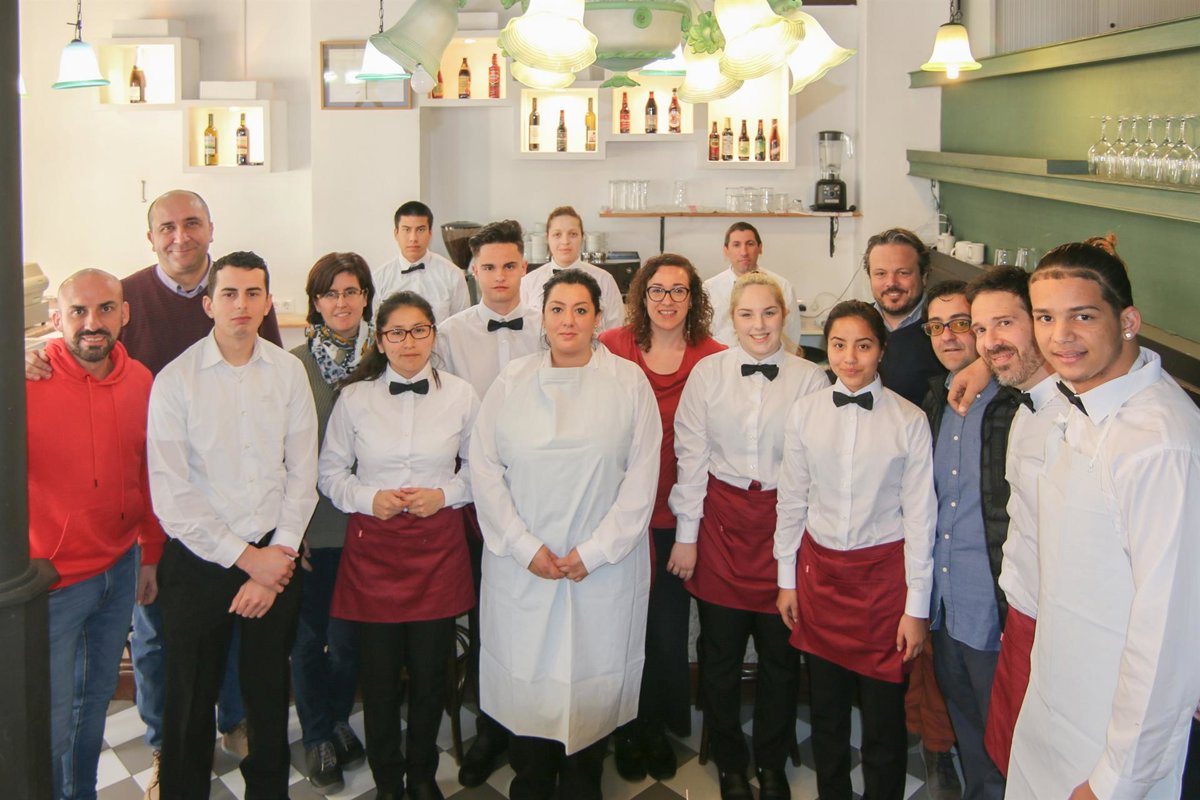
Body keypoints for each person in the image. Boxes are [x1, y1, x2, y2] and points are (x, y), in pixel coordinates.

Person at [25, 191, 282, 792]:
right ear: (151, 237)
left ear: (211, 228)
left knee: (230, 630)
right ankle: (169, 747)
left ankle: (233, 723)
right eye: (167, 226)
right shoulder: (127, 297)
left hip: (213, 509)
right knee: (158, 640)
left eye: (192, 223)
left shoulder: (238, 290)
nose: (180, 236)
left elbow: (264, 379)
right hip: (154, 515)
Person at [1007, 242, 1200, 799]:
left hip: (1111, 735)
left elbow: (1168, 636)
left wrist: (1116, 781)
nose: (1060, 336)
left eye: (1083, 316)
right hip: (1054, 700)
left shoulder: (1159, 444)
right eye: (1045, 317)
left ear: (1129, 321)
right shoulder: (1079, 398)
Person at [470, 270, 660, 799]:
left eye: (581, 310)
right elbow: (484, 468)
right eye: (558, 309)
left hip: (601, 567)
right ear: (543, 317)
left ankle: (583, 780)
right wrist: (523, 545)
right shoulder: (512, 382)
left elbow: (642, 479)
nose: (568, 320)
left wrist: (594, 552)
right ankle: (530, 778)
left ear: (599, 318)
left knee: (591, 672)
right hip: (523, 564)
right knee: (528, 674)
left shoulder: (629, 384)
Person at [146, 251, 318, 799]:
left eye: (253, 293)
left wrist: (277, 558)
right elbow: (171, 494)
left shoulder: (288, 372)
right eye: (229, 293)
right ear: (208, 304)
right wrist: (250, 562)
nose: (241, 304)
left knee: (267, 696)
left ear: (267, 303)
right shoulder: (176, 381)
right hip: (200, 560)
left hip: (274, 552)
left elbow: (303, 475)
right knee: (190, 699)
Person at [671, 271, 828, 800]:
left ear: (784, 316)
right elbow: (691, 457)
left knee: (781, 659)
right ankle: (731, 763)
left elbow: (814, 469)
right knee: (719, 656)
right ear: (731, 319)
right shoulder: (708, 374)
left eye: (769, 313)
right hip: (721, 523)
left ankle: (772, 763)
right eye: (747, 314)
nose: (759, 325)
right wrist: (686, 535)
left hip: (787, 525)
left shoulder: (811, 379)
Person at [319, 291, 479, 800]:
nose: (409, 342)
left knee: (432, 675)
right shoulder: (355, 398)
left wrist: (444, 494)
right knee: (380, 677)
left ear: (433, 334)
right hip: (374, 548)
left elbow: (482, 470)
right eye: (396, 332)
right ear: (380, 339)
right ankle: (388, 779)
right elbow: (329, 473)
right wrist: (369, 499)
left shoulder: (462, 395)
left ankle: (423, 774)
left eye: (419, 331)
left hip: (438, 545)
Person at [775, 300, 936, 800]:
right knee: (826, 713)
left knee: (884, 720)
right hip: (821, 579)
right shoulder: (804, 413)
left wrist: (916, 608)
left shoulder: (909, 420)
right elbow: (791, 500)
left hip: (883, 585)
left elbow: (921, 520)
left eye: (863, 346)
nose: (849, 358)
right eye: (839, 345)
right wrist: (786, 580)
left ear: (881, 350)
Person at [27, 270, 164, 800]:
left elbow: (147, 473)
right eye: (78, 312)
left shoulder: (141, 381)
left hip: (119, 569)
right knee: (52, 720)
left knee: (92, 708)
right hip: (53, 582)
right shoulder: (26, 379)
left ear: (124, 314)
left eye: (105, 309)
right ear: (56, 319)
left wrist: (149, 554)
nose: (92, 323)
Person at [599, 254, 725, 783]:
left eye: (679, 290)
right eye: (657, 290)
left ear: (693, 298)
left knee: (665, 632)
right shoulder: (611, 346)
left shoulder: (714, 357)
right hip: (614, 514)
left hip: (678, 518)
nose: (668, 300)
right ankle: (624, 730)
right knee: (619, 627)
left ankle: (655, 726)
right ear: (641, 296)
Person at [435, 220, 542, 789]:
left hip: (543, 493)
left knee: (537, 613)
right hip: (477, 496)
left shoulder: (549, 325)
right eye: (488, 267)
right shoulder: (449, 335)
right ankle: (491, 728)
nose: (500, 277)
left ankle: (537, 727)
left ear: (525, 267)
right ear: (473, 272)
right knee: (485, 617)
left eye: (509, 265)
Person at [863, 227, 967, 797]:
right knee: (895, 627)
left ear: (922, 276)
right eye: (881, 273)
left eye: (902, 272)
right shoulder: (868, 328)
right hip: (878, 508)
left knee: (930, 630)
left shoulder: (939, 335)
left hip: (934, 503)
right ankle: (903, 722)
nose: (892, 283)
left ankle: (938, 746)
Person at [919, 280, 1018, 800]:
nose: (948, 336)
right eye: (937, 326)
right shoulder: (937, 399)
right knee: (969, 728)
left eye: (962, 324)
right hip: (945, 601)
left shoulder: (1017, 402)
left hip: (995, 604)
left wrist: (985, 367)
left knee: (1008, 738)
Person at [963, 266, 1056, 779]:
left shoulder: (1083, 417)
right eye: (980, 329)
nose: (989, 341)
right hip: (1020, 616)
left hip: (1061, 630)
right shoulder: (1025, 411)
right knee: (1016, 762)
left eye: (1004, 323)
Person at [290, 253, 374, 793]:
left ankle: (339, 719)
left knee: (347, 640)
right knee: (308, 639)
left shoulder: (385, 356)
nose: (341, 303)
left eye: (350, 291)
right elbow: (278, 453)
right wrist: (288, 530)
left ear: (366, 296)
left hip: (366, 529)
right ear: (316, 302)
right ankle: (317, 735)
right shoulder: (292, 366)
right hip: (311, 529)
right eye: (329, 293)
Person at [518, 205, 624, 332]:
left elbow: (615, 331)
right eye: (557, 234)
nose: (565, 241)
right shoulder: (528, 283)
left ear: (582, 237)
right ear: (547, 238)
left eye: (572, 234)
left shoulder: (605, 280)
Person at [702, 222, 802, 347]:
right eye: (736, 245)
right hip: (722, 357)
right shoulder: (709, 288)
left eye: (750, 244)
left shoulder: (783, 286)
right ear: (726, 250)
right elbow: (703, 335)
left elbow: (791, 336)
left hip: (770, 357)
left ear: (760, 248)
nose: (744, 252)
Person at [373, 200, 470, 323]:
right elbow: (373, 327)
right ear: (396, 233)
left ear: (430, 233)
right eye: (407, 230)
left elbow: (462, 325)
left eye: (420, 230)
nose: (413, 238)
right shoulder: (379, 278)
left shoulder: (453, 275)